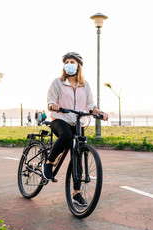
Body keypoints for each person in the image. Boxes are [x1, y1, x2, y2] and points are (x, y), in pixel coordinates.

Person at [46, 52, 108, 206]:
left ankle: (76, 193)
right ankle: (49, 162)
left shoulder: (85, 85)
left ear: (78, 65)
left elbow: (90, 105)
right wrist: (53, 105)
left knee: (78, 155)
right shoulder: (58, 82)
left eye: (72, 61)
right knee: (66, 137)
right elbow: (50, 101)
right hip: (60, 120)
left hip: (78, 123)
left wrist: (99, 112)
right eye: (66, 61)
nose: (69, 63)